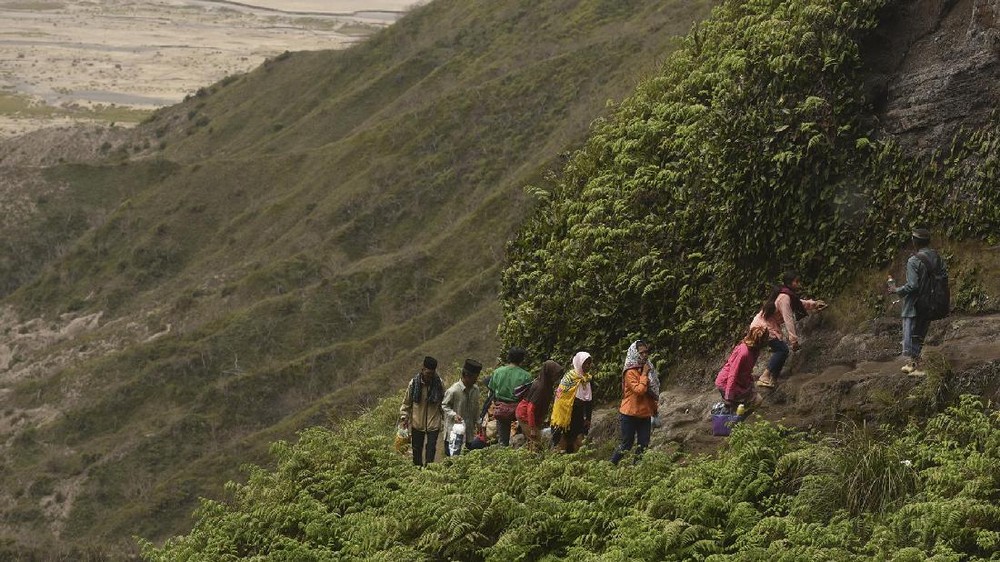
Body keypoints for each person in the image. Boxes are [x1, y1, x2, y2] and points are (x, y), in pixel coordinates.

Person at [750, 271, 827, 387]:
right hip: (763, 327)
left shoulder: (786, 295)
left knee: (781, 351)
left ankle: (772, 379)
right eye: (796, 282)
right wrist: (794, 340)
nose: (799, 284)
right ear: (790, 283)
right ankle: (764, 376)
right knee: (782, 350)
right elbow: (788, 319)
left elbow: (800, 303)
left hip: (763, 325)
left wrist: (814, 304)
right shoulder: (784, 298)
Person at [891, 227, 947, 373]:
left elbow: (913, 285)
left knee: (910, 336)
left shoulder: (913, 261)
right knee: (919, 334)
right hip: (931, 303)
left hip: (914, 305)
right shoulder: (937, 257)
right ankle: (914, 366)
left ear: (915, 242)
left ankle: (914, 365)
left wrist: (897, 290)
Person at [611, 340, 660, 465]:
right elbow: (640, 390)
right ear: (634, 353)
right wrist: (644, 374)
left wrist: (654, 410)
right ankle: (611, 465)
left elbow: (651, 392)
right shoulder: (630, 372)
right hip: (629, 414)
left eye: (646, 352)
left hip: (644, 414)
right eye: (641, 353)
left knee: (643, 444)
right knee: (627, 444)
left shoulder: (648, 367)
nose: (645, 355)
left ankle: (636, 470)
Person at [399, 356, 445, 466]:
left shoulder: (439, 384)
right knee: (416, 451)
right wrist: (404, 417)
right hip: (417, 423)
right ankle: (418, 472)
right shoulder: (414, 383)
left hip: (433, 423)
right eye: (427, 373)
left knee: (431, 450)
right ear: (423, 369)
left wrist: (445, 419)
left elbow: (443, 403)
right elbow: (406, 403)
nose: (429, 376)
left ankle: (429, 473)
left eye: (431, 374)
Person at [715, 326, 769, 410]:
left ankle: (736, 417)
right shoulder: (744, 353)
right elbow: (732, 374)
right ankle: (732, 418)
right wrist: (729, 395)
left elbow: (747, 370)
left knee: (755, 400)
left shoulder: (755, 351)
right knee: (752, 401)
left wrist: (750, 383)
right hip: (726, 382)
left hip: (739, 382)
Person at [550, 351, 594, 453]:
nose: (588, 366)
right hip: (563, 417)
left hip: (577, 417)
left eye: (589, 363)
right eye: (585, 363)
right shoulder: (569, 378)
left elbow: (589, 401)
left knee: (579, 444)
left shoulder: (587, 380)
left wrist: (588, 418)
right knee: (562, 447)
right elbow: (560, 399)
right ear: (579, 363)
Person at [488, 347, 533, 446]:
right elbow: (528, 396)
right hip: (519, 410)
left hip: (501, 410)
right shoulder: (526, 376)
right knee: (523, 439)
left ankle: (503, 457)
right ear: (522, 359)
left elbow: (491, 390)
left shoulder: (497, 372)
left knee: (503, 442)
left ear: (508, 357)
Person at [516, 359, 562, 450]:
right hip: (525, 415)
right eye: (555, 374)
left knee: (534, 441)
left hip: (532, 415)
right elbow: (530, 409)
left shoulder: (547, 385)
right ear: (549, 373)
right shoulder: (540, 388)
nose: (557, 377)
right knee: (536, 442)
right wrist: (532, 428)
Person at [441, 359, 483, 456]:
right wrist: (454, 415)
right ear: (466, 375)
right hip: (454, 434)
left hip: (468, 433)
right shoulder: (453, 390)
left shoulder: (475, 390)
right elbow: (444, 405)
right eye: (474, 377)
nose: (476, 380)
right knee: (451, 462)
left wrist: (478, 422)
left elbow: (476, 408)